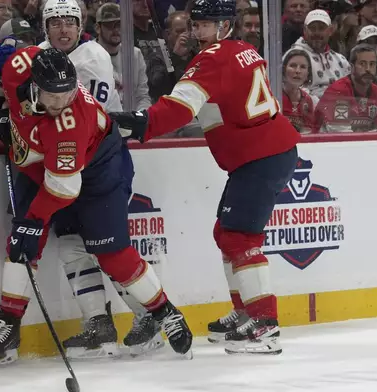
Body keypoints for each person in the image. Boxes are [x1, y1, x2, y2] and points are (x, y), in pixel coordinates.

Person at [0, 46, 192, 367]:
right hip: (36, 166)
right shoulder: (20, 67)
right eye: (52, 95)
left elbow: (64, 187)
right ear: (34, 85)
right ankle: (8, 324)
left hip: (95, 169)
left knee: (111, 251)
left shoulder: (71, 124)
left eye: (67, 95)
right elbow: (6, 59)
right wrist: (3, 101)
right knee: (21, 244)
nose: (61, 103)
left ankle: (164, 312)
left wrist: (35, 218)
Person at [110, 0, 300, 355]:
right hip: (266, 152)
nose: (198, 31)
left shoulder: (211, 59)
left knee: (240, 236)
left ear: (226, 26)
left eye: (208, 25)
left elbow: (182, 108)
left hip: (260, 157)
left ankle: (264, 324)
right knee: (226, 233)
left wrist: (143, 122)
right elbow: (216, 91)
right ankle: (244, 312)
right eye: (197, 24)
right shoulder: (243, 50)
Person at [314, 44, 377, 132]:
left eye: (372, 64)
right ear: (351, 67)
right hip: (323, 143)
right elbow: (340, 133)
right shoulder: (338, 90)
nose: (368, 69)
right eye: (362, 64)